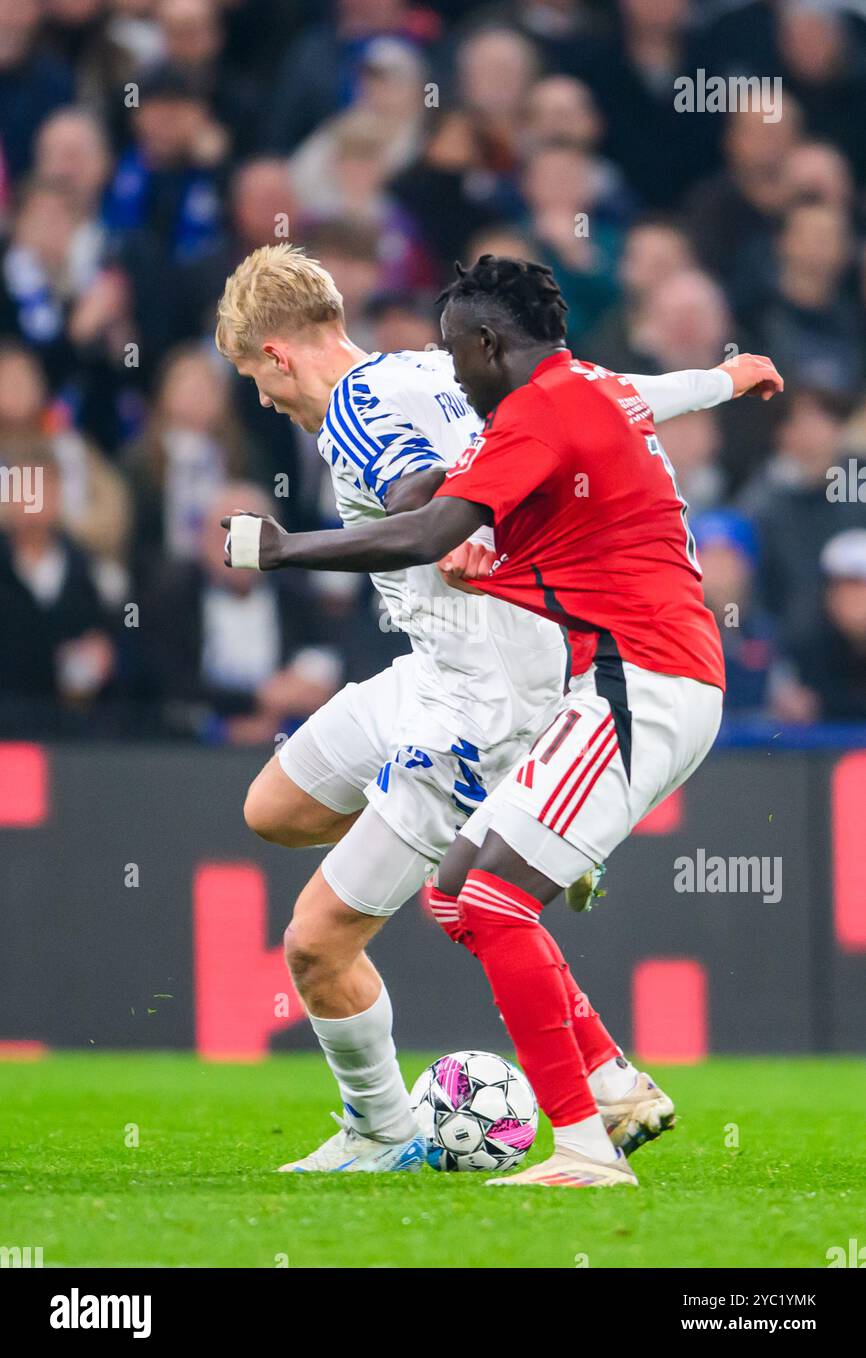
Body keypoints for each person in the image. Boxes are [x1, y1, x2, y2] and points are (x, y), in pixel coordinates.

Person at [216, 243, 779, 1179]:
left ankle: (383, 1131)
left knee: (320, 944)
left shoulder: (359, 411)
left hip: (479, 701)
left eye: (251, 376)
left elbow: (423, 495)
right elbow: (607, 395)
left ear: (275, 354)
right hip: (435, 670)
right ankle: (599, 1054)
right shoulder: (430, 364)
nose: (260, 400)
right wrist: (717, 381)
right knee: (274, 809)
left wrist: (305, 547)